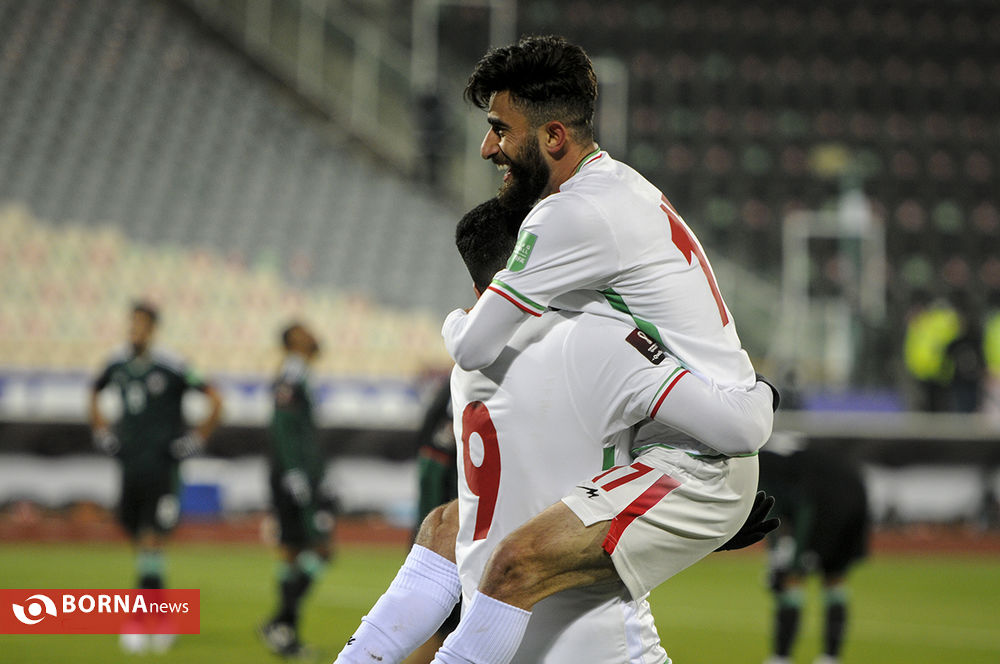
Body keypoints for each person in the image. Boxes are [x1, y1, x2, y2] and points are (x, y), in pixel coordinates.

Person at [333, 199, 777, 664]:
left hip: (497, 637)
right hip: (601, 648)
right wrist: (702, 518)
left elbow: (528, 494)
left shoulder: (469, 364)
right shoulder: (603, 343)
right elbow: (737, 429)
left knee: (447, 522)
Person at [89, 301, 223, 653]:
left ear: (152, 329)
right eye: (132, 324)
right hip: (130, 469)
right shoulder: (117, 364)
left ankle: (139, 623)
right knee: (143, 547)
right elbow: (93, 391)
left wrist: (196, 439)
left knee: (152, 542)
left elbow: (214, 398)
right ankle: (162, 620)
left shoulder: (172, 365)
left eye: (141, 325)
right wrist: (102, 432)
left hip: (163, 470)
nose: (135, 330)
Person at [258, 322, 337, 658]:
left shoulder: (300, 373)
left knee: (292, 551)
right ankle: (281, 624)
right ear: (293, 340)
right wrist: (295, 472)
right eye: (304, 332)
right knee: (319, 549)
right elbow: (284, 425)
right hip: (294, 476)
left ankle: (282, 628)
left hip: (297, 473)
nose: (313, 335)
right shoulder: (292, 374)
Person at [759, 435, 869, 664]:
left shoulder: (761, 465)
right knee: (835, 579)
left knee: (791, 581)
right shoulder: (794, 456)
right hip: (856, 495)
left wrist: (784, 559)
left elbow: (790, 511)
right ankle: (831, 657)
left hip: (825, 507)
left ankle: (780, 657)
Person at [404, 376, 461, 664]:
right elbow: (432, 470)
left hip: (457, 532)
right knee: (441, 633)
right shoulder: (452, 416)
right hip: (449, 539)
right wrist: (434, 534)